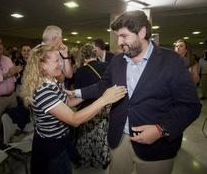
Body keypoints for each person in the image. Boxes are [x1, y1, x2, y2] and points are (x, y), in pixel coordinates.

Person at [73, 10, 201, 174]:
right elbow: (102, 86)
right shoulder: (118, 60)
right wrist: (75, 93)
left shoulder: (172, 61)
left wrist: (161, 130)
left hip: (157, 147)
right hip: (119, 139)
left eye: (124, 36)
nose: (119, 42)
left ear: (142, 32)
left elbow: (190, 106)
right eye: (118, 36)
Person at [20, 45, 127, 174]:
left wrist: (86, 93)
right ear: (42, 66)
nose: (60, 64)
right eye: (56, 61)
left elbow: (68, 102)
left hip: (61, 139)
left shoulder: (52, 81)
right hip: (51, 146)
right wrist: (104, 99)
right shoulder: (43, 91)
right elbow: (74, 119)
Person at [74, 44, 109, 169]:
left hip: (87, 107)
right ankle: (102, 160)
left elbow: (78, 93)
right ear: (95, 54)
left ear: (83, 57)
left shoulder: (80, 71)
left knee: (86, 137)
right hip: (105, 106)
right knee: (102, 136)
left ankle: (87, 160)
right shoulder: (107, 66)